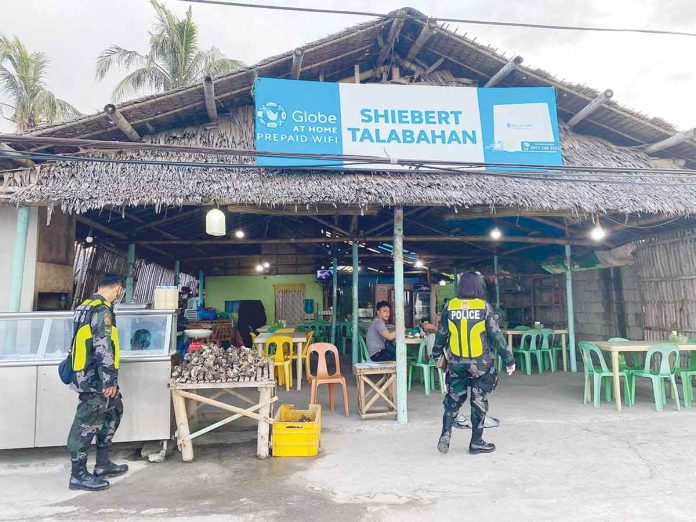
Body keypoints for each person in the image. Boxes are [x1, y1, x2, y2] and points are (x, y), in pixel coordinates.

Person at [431, 272, 515, 455]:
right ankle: (476, 442)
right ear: (479, 286)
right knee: (478, 400)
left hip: (456, 363)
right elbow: (496, 335)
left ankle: (445, 434)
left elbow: (442, 334)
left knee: (453, 400)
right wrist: (509, 360)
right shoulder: (484, 307)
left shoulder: (449, 306)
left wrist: (435, 353)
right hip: (480, 364)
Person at [66, 273, 128, 491]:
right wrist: (109, 380)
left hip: (89, 373)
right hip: (95, 379)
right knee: (86, 423)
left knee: (114, 410)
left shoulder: (85, 306)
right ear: (118, 289)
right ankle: (78, 475)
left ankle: (103, 463)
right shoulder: (102, 310)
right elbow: (103, 346)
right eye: (121, 291)